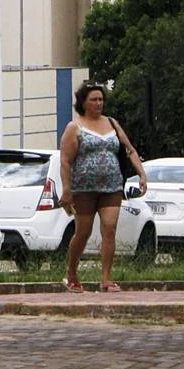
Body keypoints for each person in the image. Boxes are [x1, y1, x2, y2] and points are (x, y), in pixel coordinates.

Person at [57, 80, 146, 293]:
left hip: (111, 187)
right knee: (83, 232)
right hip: (84, 189)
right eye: (93, 99)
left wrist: (141, 174)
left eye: (101, 99)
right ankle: (72, 272)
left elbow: (130, 150)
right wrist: (67, 190)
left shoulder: (112, 123)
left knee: (109, 228)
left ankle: (106, 278)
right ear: (83, 102)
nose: (98, 103)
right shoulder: (75, 127)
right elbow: (65, 161)